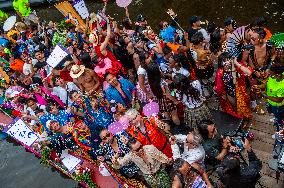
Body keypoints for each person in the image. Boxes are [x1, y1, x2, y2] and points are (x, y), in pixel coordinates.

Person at [214, 52, 253, 119]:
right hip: (230, 93)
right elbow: (219, 87)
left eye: (229, 59)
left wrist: (237, 63)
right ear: (221, 62)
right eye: (224, 61)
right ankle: (238, 119)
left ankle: (244, 117)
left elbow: (249, 72)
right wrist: (222, 94)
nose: (227, 62)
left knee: (244, 105)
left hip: (241, 91)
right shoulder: (220, 72)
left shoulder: (237, 67)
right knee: (234, 106)